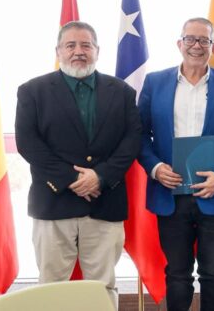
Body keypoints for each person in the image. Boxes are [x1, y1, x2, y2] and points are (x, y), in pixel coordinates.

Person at [15, 21, 141, 307]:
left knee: (103, 287)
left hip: (105, 202)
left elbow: (132, 139)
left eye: (86, 45)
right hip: (53, 202)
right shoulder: (32, 91)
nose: (78, 51)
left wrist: (100, 177)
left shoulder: (122, 91)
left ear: (97, 50)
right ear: (58, 51)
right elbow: (28, 143)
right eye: (70, 45)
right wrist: (72, 180)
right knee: (51, 288)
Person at [138, 17, 214, 311]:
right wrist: (155, 169)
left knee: (213, 272)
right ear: (179, 43)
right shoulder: (155, 82)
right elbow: (139, 135)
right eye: (190, 39)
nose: (196, 46)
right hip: (169, 194)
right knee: (177, 273)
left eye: (204, 40)